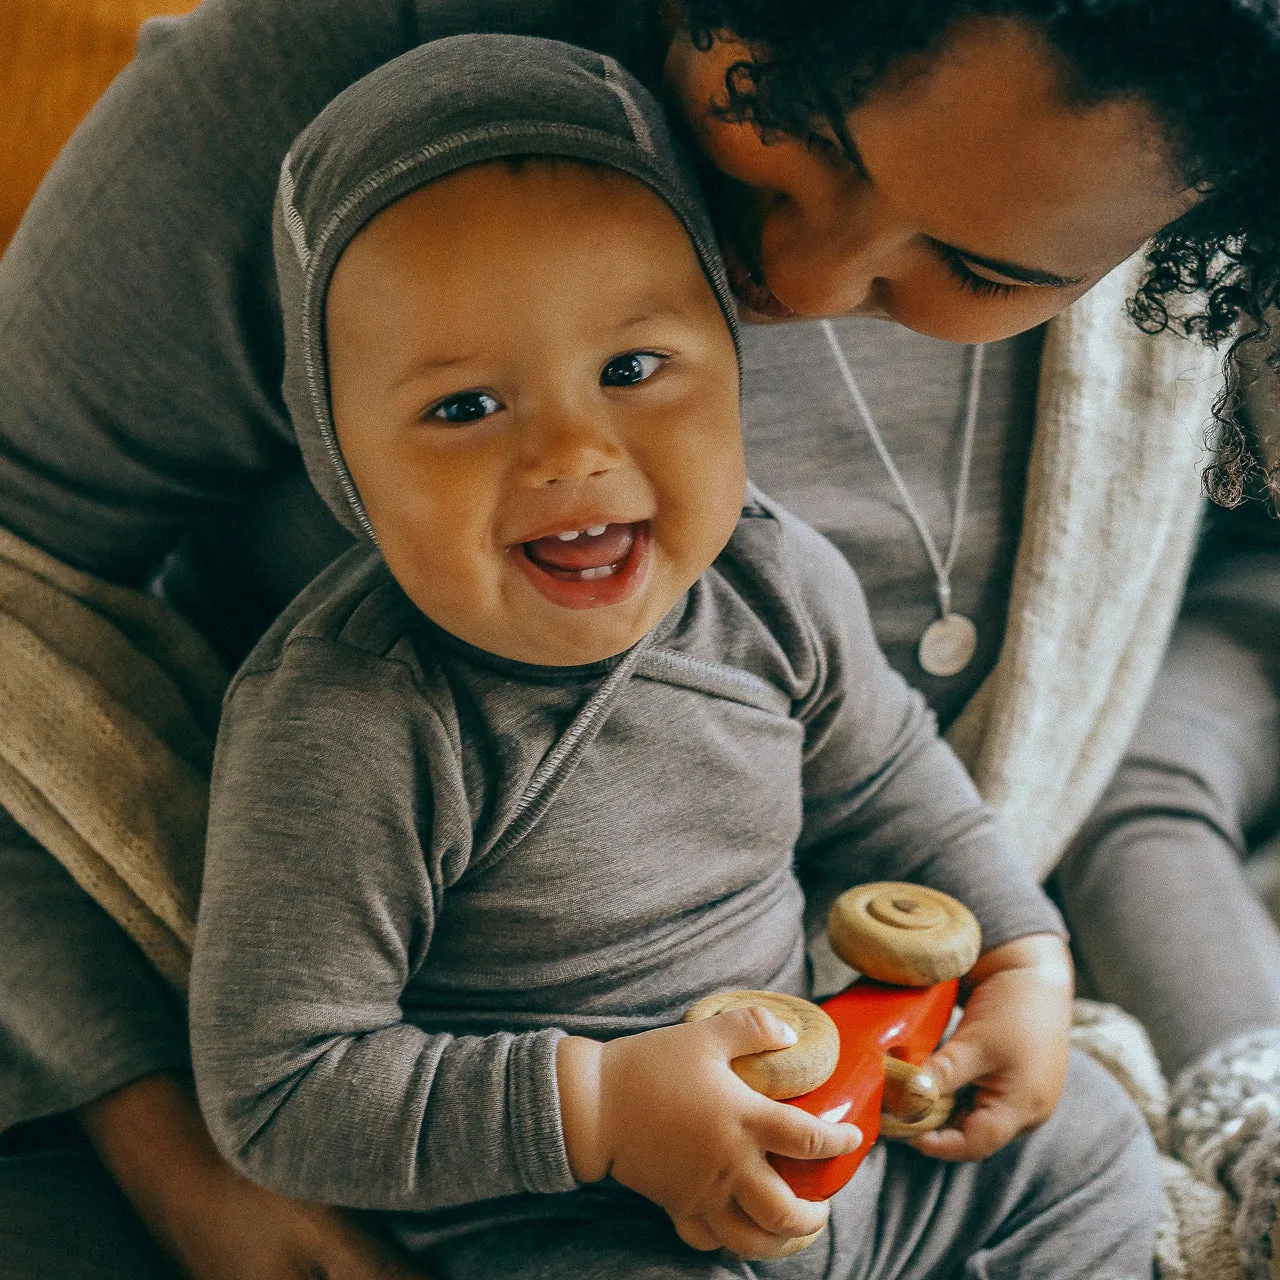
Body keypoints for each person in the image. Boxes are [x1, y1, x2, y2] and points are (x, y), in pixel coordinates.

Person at [0, 0, 1278, 1277]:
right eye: (800, 134)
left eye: (989, 268)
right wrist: (176, 1148)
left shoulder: (771, 578)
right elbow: (287, 1070)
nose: (809, 284)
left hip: (852, 1097)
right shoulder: (351, 718)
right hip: (553, 1200)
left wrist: (1021, 944)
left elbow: (896, 778)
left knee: (1089, 1152)